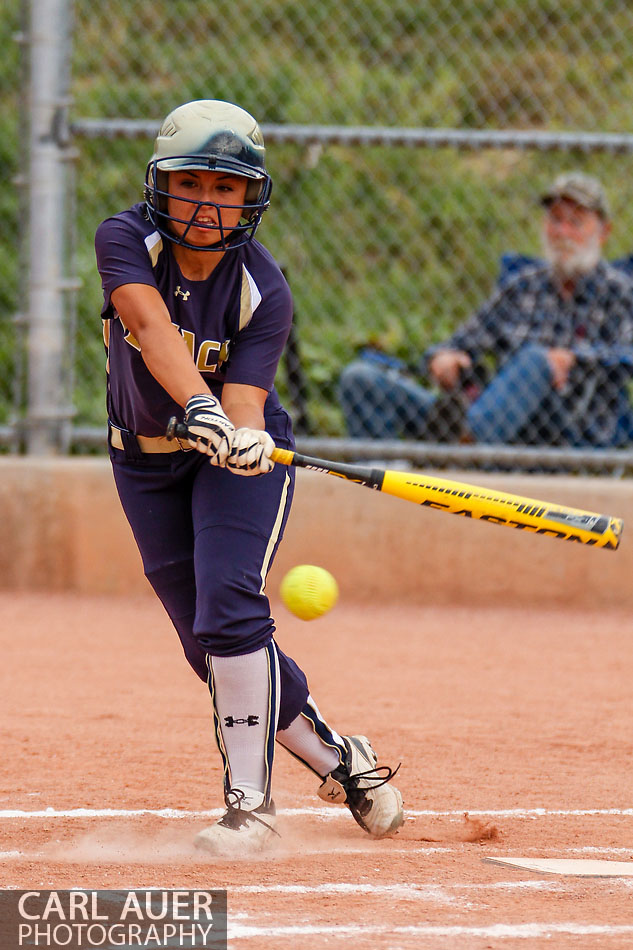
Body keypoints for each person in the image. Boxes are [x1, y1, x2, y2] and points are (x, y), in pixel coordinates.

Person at [94, 99, 403, 855]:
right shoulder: (124, 237)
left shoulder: (264, 287)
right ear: (161, 183)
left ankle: (250, 809)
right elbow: (147, 324)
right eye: (192, 182)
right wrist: (200, 408)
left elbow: (246, 403)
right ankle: (340, 759)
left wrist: (241, 437)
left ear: (250, 197)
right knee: (208, 646)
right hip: (143, 460)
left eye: (226, 188)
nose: (206, 203)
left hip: (236, 463)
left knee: (231, 608)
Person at [339, 172, 633, 447]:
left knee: (534, 360)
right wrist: (444, 357)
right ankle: (386, 480)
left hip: (572, 431)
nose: (563, 232)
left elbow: (627, 356)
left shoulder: (620, 291)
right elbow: (462, 340)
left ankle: (464, 447)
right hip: (498, 426)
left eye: (576, 222)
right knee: (360, 379)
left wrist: (573, 360)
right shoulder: (521, 287)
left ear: (604, 231)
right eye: (555, 220)